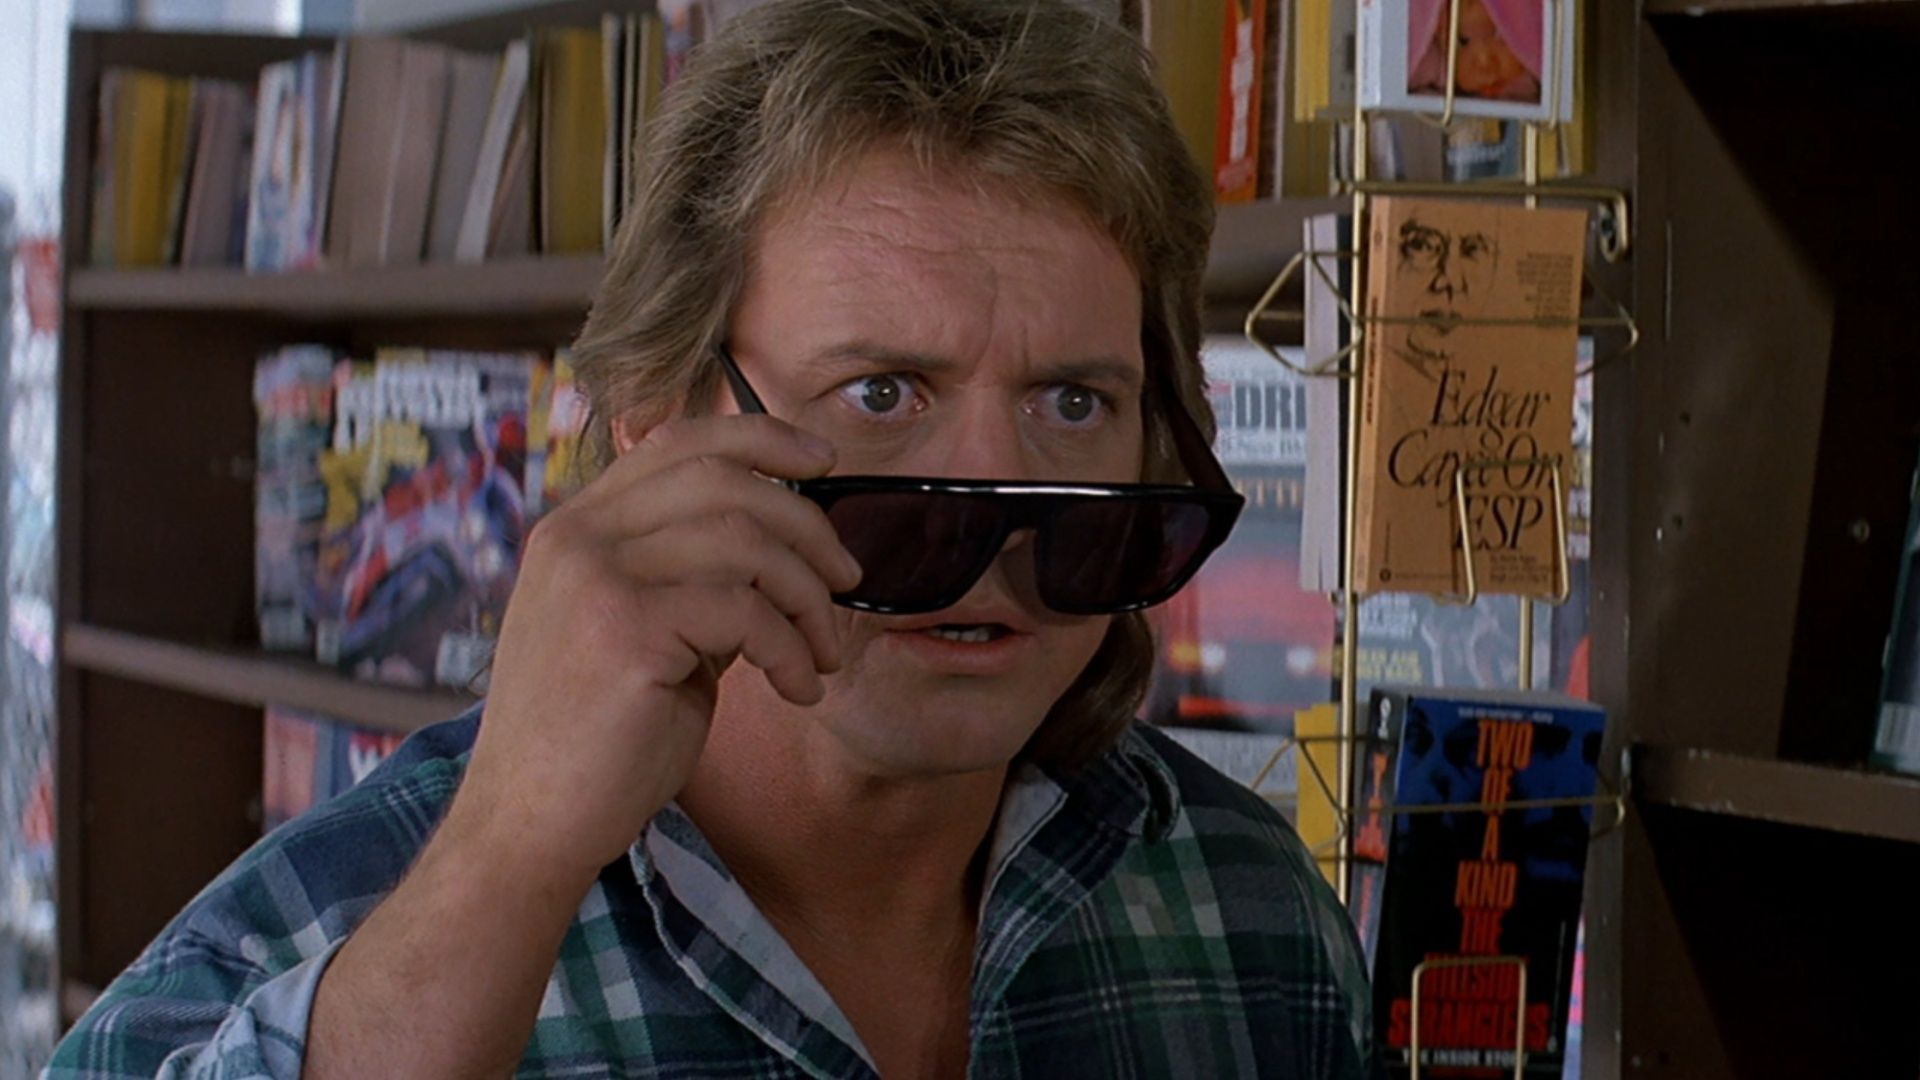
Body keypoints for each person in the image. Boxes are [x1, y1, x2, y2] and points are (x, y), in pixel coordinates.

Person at [49, 1, 1376, 1076]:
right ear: (654, 424)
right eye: (882, 394)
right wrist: (505, 870)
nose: (998, 522)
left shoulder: (1251, 912)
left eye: (1073, 403)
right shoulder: (315, 936)